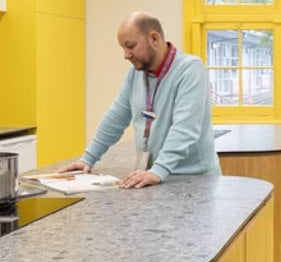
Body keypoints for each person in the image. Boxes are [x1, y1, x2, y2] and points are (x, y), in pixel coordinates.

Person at [58, 12, 219, 188]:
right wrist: (88, 159)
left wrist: (159, 170)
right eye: (123, 48)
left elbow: (185, 128)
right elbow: (115, 119)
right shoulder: (135, 75)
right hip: (156, 176)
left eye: (131, 46)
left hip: (195, 181)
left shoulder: (190, 69)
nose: (126, 55)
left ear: (154, 38)